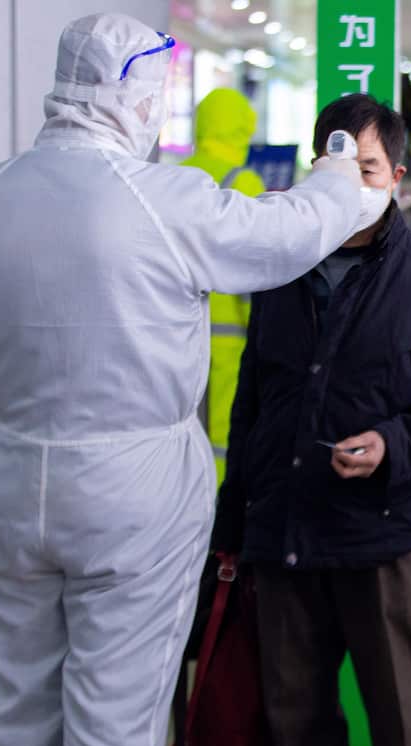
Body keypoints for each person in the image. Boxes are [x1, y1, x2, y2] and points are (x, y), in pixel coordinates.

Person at [0, 13, 364, 746]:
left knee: (21, 722)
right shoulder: (161, 200)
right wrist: (343, 172)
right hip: (135, 494)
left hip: (5, 484)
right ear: (139, 96)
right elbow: (287, 235)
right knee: (114, 733)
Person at [209, 93, 411, 746]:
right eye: (336, 165)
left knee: (397, 707)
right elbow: (253, 405)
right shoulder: (281, 267)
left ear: (396, 175)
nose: (351, 181)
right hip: (284, 530)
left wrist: (393, 444)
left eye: (367, 167)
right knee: (295, 708)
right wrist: (233, 528)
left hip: (381, 532)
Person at [180, 87, 267, 482]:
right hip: (228, 340)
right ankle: (216, 522)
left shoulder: (173, 177)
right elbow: (257, 271)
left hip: (174, 333)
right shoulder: (242, 182)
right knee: (223, 434)